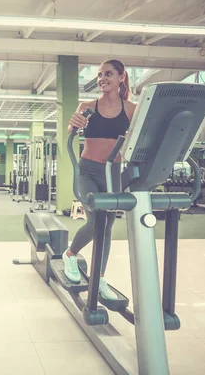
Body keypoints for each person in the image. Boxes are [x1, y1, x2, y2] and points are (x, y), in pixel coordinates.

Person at [64, 59, 136, 300]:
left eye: (108, 74)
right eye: (99, 75)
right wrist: (73, 123)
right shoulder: (88, 105)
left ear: (121, 77)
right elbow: (71, 129)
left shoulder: (131, 110)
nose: (102, 78)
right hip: (88, 171)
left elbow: (138, 139)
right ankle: (71, 254)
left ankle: (100, 276)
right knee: (96, 221)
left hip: (113, 171)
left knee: (107, 227)